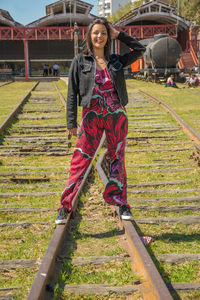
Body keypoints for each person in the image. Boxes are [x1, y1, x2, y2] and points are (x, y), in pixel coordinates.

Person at [55, 18, 145, 224]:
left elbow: (140, 49)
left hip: (117, 117)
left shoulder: (115, 61)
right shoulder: (80, 61)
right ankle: (64, 206)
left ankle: (122, 204)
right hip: (91, 118)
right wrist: (71, 121)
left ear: (108, 35)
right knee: (80, 161)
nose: (99, 36)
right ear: (89, 35)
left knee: (117, 160)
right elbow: (72, 93)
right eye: (96, 32)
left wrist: (119, 34)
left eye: (104, 33)